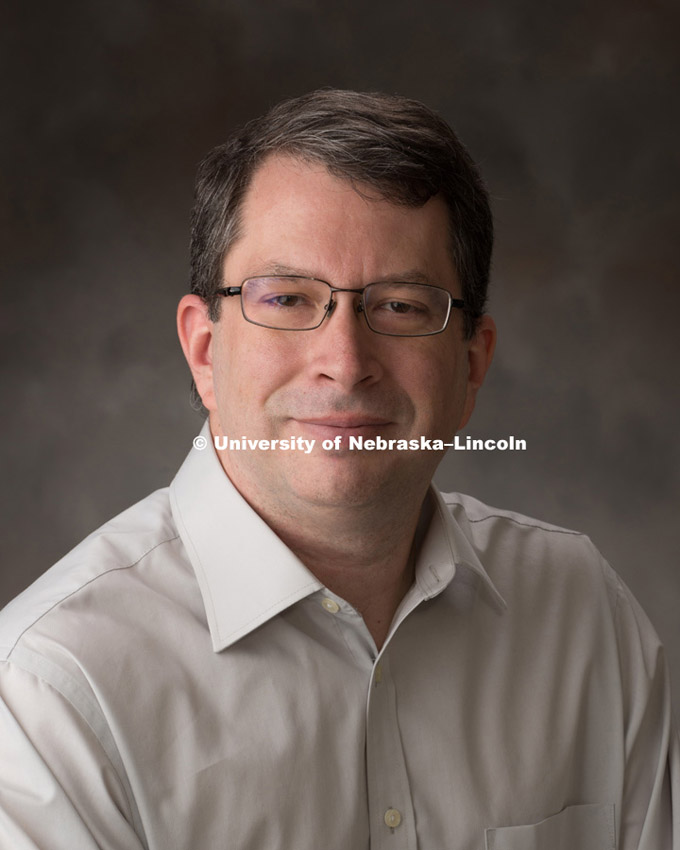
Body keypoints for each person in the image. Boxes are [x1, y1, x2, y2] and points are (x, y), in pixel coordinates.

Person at [0, 89, 677, 850]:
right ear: (204, 352)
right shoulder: (52, 688)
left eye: (400, 306)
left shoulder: (580, 614)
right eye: (287, 298)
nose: (345, 363)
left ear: (473, 364)